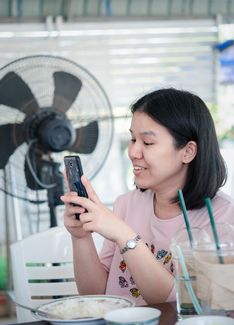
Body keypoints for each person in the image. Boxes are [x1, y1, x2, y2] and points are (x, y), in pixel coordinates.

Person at [61, 88, 234, 306]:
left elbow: (179, 304)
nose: (133, 152)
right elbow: (97, 296)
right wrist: (80, 237)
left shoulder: (222, 216)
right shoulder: (126, 204)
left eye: (148, 143)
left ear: (188, 152)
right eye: (133, 139)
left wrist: (125, 236)